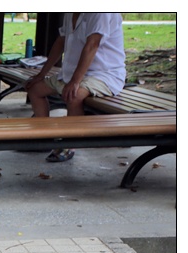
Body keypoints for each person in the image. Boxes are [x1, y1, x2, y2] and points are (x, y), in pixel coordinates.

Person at [26, 13, 126, 162]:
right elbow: (61, 41)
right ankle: (43, 137)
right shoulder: (71, 11)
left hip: (104, 74)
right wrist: (42, 74)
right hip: (72, 73)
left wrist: (75, 81)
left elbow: (92, 44)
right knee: (35, 89)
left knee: (74, 95)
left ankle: (69, 144)